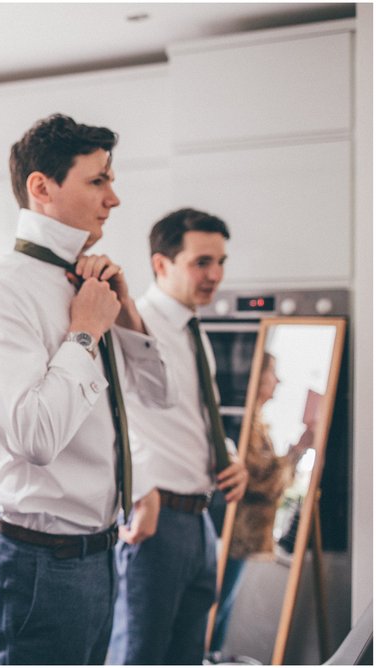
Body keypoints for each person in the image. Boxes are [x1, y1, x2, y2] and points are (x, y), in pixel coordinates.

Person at [0, 113, 171, 665]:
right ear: (41, 187)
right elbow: (35, 436)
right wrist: (84, 333)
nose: (114, 198)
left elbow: (155, 395)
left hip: (99, 554)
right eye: (98, 180)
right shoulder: (0, 294)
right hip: (36, 564)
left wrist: (123, 315)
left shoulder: (93, 286)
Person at [107, 207, 249, 665]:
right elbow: (113, 416)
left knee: (187, 654)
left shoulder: (193, 328)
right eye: (202, 262)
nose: (216, 275)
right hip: (157, 521)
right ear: (161, 264)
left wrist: (229, 456)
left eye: (221, 262)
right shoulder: (133, 324)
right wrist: (141, 484)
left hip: (200, 519)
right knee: (140, 655)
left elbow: (193, 415)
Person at [209, 351, 313, 654]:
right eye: (273, 373)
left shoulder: (259, 423)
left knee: (223, 606)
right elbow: (261, 480)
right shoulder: (244, 425)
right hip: (234, 530)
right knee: (217, 606)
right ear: (257, 376)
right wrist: (299, 450)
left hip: (244, 536)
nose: (278, 381)